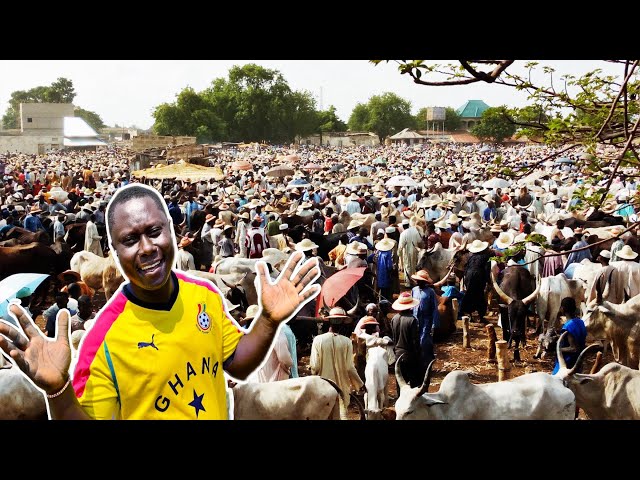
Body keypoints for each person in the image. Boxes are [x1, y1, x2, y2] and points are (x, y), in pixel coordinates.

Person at [0, 183, 321, 420]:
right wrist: (58, 391)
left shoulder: (204, 295)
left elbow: (237, 362)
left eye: (154, 231)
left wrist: (268, 319)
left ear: (171, 230)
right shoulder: (102, 341)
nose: (147, 247)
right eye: (130, 239)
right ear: (115, 252)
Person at [310, 307, 364, 420]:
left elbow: (315, 367)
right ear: (343, 322)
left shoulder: (318, 340)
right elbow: (349, 367)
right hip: (341, 389)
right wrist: (360, 384)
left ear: (329, 321)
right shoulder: (347, 342)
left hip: (323, 387)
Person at [390, 292, 423, 394]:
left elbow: (394, 337)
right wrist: (418, 355)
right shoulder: (412, 320)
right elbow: (415, 341)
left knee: (400, 383)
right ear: (411, 307)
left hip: (397, 354)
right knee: (415, 382)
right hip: (410, 355)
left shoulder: (394, 319)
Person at [552, 297, 587, 375]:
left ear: (562, 309)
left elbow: (573, 348)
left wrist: (557, 349)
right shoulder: (580, 322)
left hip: (567, 363)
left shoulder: (568, 326)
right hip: (578, 363)